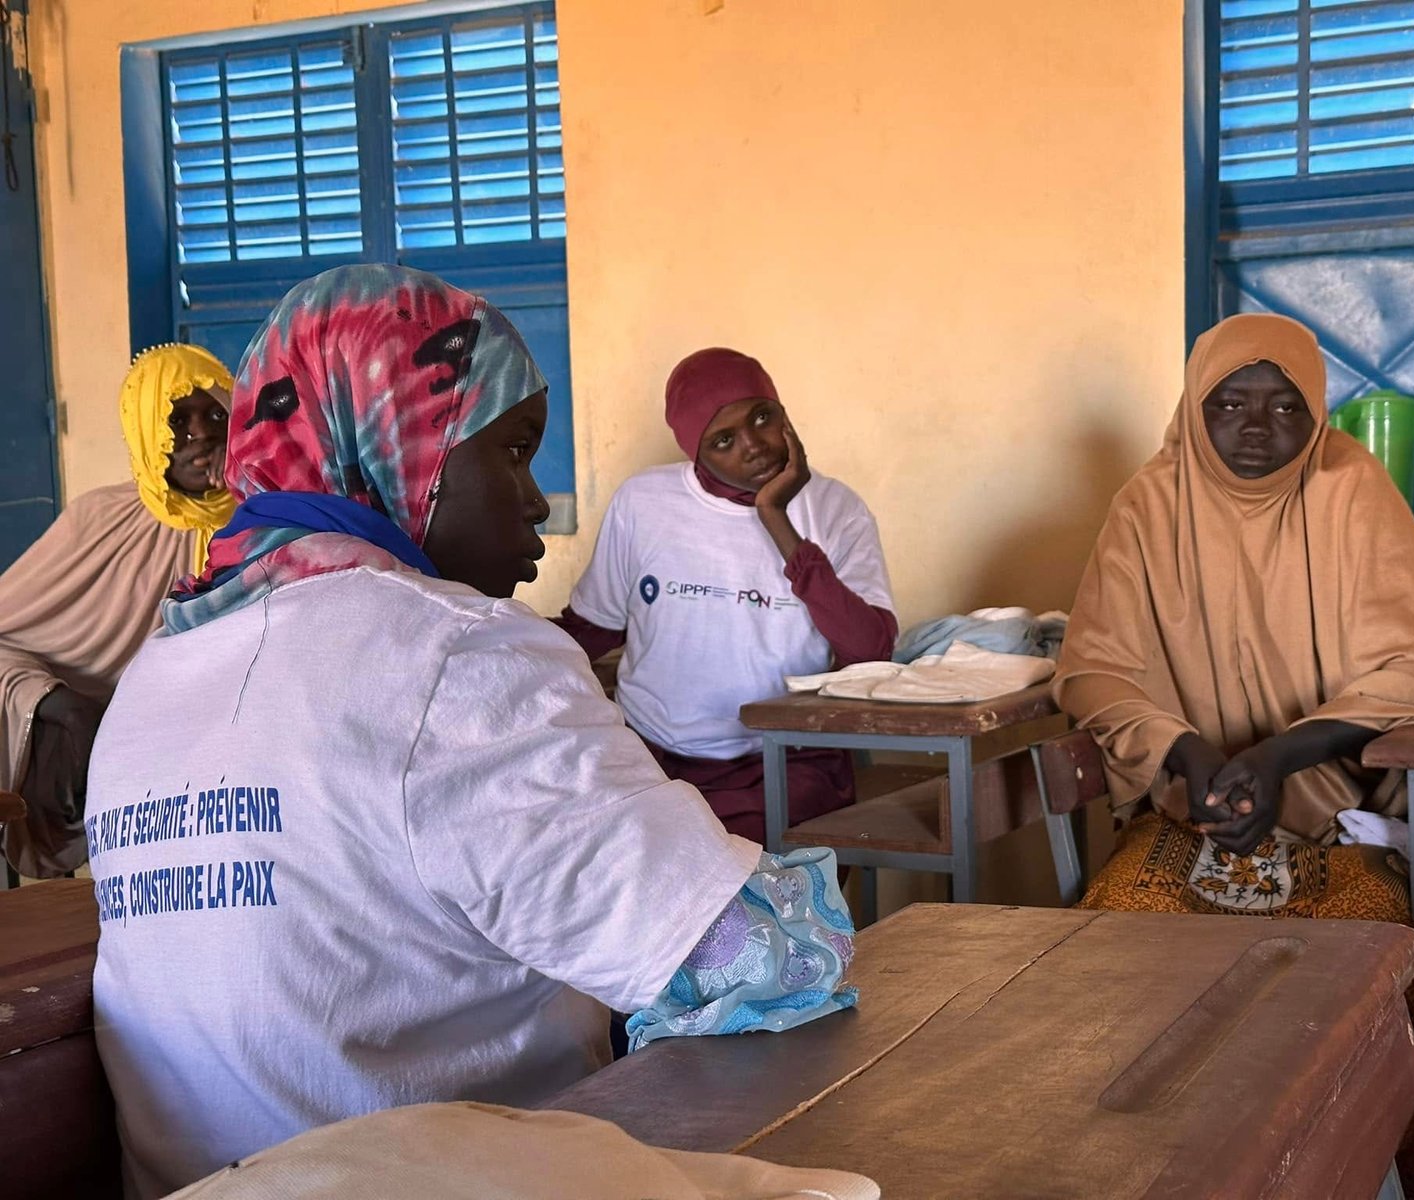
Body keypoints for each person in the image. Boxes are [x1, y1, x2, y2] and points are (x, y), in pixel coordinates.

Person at [85, 266, 856, 1199]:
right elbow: (756, 960)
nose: (534, 502)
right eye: (516, 452)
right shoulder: (455, 654)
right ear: (397, 446)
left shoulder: (149, 680)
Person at [1054, 313, 1414, 1200]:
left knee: (1378, 968)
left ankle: (1367, 1175)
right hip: (1186, 803)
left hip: (1334, 813)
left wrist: (1283, 757)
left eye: (1285, 404)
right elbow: (1094, 670)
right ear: (1192, 409)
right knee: (1117, 943)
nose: (1256, 426)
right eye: (1229, 403)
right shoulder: (1148, 502)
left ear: (1318, 413)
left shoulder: (1349, 488)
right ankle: (1155, 1177)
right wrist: (1191, 758)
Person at [556, 348, 896, 844]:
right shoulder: (643, 502)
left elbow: (869, 649)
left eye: (764, 417)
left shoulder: (835, 509)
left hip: (785, 762)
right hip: (652, 760)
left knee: (758, 894)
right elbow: (594, 626)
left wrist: (776, 518)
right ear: (696, 451)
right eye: (723, 440)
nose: (754, 445)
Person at [0, 343, 233, 878]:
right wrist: (59, 704)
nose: (202, 433)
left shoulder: (260, 517)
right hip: (97, 742)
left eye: (217, 413)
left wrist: (249, 489)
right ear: (146, 429)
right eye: (177, 418)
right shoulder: (99, 520)